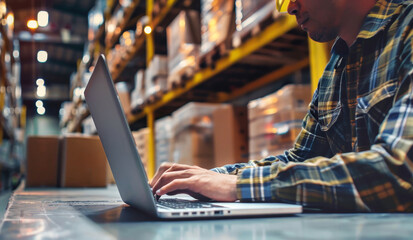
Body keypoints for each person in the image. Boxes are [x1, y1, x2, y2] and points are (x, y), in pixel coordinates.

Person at [151, 0, 413, 212]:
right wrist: (211, 177)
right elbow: (298, 160)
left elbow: (400, 171)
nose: (290, 7)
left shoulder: (407, 32)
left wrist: (238, 185)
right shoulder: (335, 70)